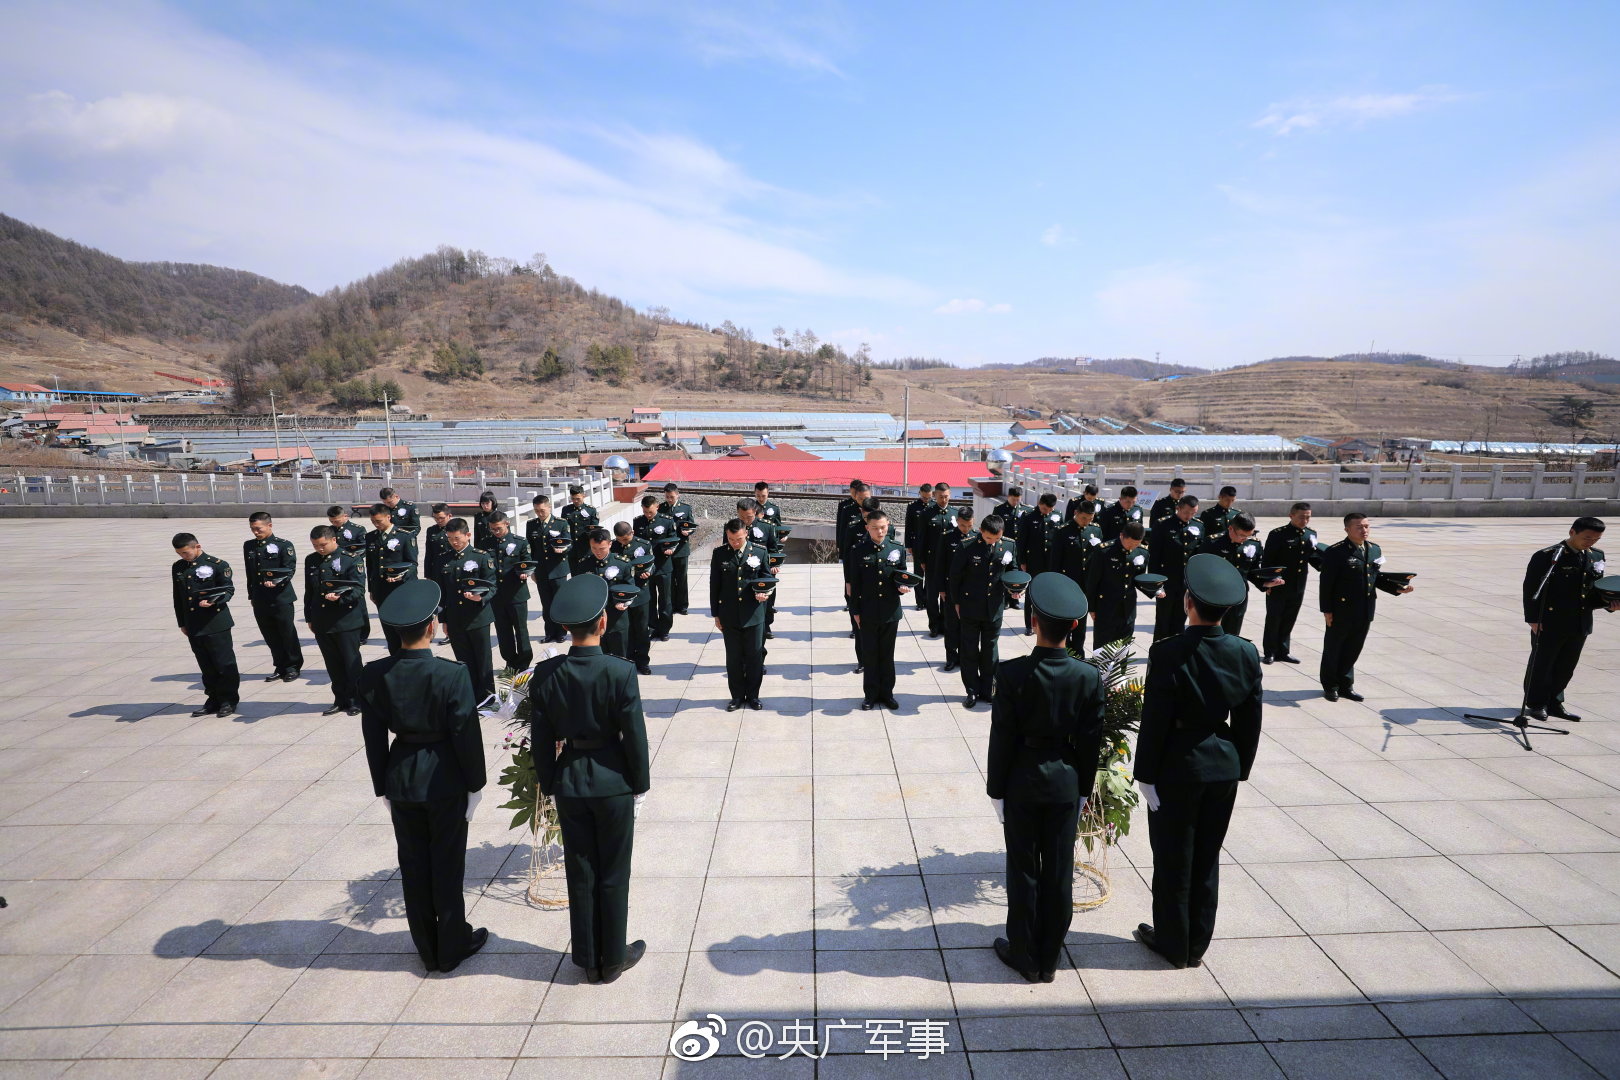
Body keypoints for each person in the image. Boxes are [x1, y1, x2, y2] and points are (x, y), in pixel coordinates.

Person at [1133, 554, 1262, 970]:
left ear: (1188, 602)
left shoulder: (1169, 651)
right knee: (1206, 857)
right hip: (1222, 763)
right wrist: (1239, 765)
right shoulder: (1244, 652)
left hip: (1177, 765)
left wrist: (1145, 775)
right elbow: (1250, 717)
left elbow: (1155, 719)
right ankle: (1196, 944)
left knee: (1173, 858)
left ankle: (1174, 942)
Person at [358, 579, 488, 974]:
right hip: (445, 778)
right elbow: (465, 732)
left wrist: (382, 784)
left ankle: (427, 947)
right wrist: (475, 784)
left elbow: (373, 734)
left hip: (402, 775)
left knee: (414, 866)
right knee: (446, 865)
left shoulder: (376, 672)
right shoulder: (452, 674)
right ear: (432, 627)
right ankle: (451, 946)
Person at [529, 574, 651, 984]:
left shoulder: (546, 674)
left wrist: (549, 783)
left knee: (579, 871)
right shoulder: (620, 672)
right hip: (613, 781)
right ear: (602, 623)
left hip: (570, 782)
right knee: (614, 872)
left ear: (566, 628)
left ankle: (586, 956)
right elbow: (634, 736)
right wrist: (640, 785)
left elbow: (541, 739)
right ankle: (612, 958)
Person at [987, 572, 1106, 982]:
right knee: (1058, 871)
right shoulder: (1088, 677)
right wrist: (1084, 790)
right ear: (1075, 626)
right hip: (1066, 783)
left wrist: (996, 790)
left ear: (1033, 620)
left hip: (1021, 781)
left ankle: (1023, 953)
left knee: (1023, 870)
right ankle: (1050, 957)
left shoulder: (1012, 673)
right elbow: (1090, 742)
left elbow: (1002, 738)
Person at [1523, 516, 1619, 721]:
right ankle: (1537, 703)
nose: (1591, 542)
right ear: (1572, 532)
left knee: (1567, 665)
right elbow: (1531, 588)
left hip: (1580, 621)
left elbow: (1593, 590)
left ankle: (1555, 702)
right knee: (1543, 664)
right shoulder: (1548, 556)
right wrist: (1532, 618)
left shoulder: (1596, 556)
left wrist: (1610, 604)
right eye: (1587, 538)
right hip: (1550, 620)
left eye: (1596, 539)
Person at [1318, 512, 1413, 702]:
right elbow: (1326, 583)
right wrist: (1327, 610)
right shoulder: (1336, 552)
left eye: (1367, 526)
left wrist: (1397, 588)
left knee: (1354, 648)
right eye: (1359, 527)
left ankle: (1346, 685)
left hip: (1365, 608)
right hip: (1341, 610)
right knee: (1334, 648)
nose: (1364, 530)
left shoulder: (1374, 550)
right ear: (1347, 529)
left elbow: (1375, 577)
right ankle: (1330, 686)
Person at [949, 514, 1018, 707]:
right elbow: (955, 576)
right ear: (981, 532)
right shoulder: (967, 545)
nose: (993, 542)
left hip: (994, 607)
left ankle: (989, 690)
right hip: (970, 606)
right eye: (989, 538)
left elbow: (1013, 570)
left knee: (990, 651)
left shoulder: (1009, 545)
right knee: (970, 650)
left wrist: (1016, 589)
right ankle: (972, 690)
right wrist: (956, 602)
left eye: (997, 539)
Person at [847, 509, 911, 710]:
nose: (880, 531)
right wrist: (855, 612)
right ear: (867, 528)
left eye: (883, 527)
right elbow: (854, 585)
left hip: (890, 611)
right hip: (867, 611)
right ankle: (871, 695)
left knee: (887, 655)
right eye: (875, 528)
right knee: (870, 655)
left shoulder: (897, 548)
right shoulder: (858, 550)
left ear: (888, 524)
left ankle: (888, 694)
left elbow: (902, 576)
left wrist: (903, 588)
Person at [172, 532, 240, 717]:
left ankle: (228, 699)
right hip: (194, 624)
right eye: (180, 553)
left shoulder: (217, 565)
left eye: (186, 552)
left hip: (215, 622)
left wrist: (214, 601)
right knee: (206, 665)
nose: (183, 557)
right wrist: (182, 622)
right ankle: (213, 698)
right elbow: (178, 598)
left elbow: (228, 590)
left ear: (197, 546)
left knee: (223, 663)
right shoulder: (178, 567)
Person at [305, 524, 367, 716]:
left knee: (351, 662)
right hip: (323, 620)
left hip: (345, 620)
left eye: (323, 545)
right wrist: (309, 617)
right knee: (332, 663)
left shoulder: (351, 560)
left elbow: (358, 589)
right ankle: (340, 699)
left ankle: (357, 699)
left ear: (334, 540)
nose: (319, 549)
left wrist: (341, 598)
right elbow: (310, 592)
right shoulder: (312, 560)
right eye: (315, 545)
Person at [711, 518, 771, 711]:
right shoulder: (719, 554)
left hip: (753, 614)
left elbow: (767, 578)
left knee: (754, 657)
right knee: (734, 658)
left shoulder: (760, 552)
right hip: (729, 614)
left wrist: (765, 593)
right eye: (730, 539)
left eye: (737, 539)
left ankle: (753, 695)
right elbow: (715, 586)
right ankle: (736, 696)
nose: (734, 543)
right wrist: (716, 614)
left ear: (746, 533)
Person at [433, 518, 496, 701]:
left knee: (483, 660)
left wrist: (481, 597)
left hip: (478, 617)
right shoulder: (443, 559)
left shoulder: (481, 556)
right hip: (455, 619)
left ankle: (488, 698)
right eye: (450, 538)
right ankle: (471, 696)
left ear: (468, 535)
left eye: (457, 538)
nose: (454, 542)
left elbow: (492, 586)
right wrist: (443, 619)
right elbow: (441, 592)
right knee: (464, 660)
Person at [1197, 512, 1284, 638]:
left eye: (1249, 536)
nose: (1245, 539)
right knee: (1209, 634)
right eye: (1242, 535)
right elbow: (1201, 569)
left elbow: (1252, 571)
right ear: (1231, 528)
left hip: (1239, 597)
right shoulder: (1213, 542)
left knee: (1232, 634)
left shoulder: (1254, 544)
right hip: (1215, 597)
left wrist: (1265, 583)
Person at [243, 512, 303, 682]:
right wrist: (252, 596)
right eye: (252, 529)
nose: (255, 532)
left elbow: (289, 569)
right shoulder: (249, 546)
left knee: (286, 632)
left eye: (258, 528)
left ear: (269, 526)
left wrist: (276, 582)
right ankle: (280, 665)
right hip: (260, 597)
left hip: (280, 597)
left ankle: (293, 665)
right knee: (269, 634)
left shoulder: (284, 545)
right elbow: (250, 573)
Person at [1261, 502, 1321, 664]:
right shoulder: (1278, 534)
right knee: (1274, 618)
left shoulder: (1311, 534)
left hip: (1298, 584)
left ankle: (1283, 650)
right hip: (1279, 584)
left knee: (1290, 618)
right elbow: (1267, 560)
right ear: (1291, 516)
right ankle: (1270, 651)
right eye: (1301, 517)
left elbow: (1313, 557)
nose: (1305, 521)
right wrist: (1267, 582)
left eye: (1308, 517)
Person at [1085, 521, 1157, 650]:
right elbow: (1093, 581)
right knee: (1102, 649)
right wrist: (1092, 607)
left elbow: (1138, 579)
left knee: (1123, 649)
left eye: (1136, 544)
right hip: (1106, 607)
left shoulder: (1142, 552)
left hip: (1127, 609)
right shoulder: (1104, 551)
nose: (1132, 548)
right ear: (1121, 536)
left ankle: (1121, 671)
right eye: (1130, 543)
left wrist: (1155, 590)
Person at [366, 502, 419, 655]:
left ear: (388, 517)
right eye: (373, 521)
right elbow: (371, 566)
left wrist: (400, 576)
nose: (376, 524)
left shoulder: (404, 536)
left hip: (401, 589)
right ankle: (394, 658)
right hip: (381, 590)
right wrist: (372, 590)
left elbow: (412, 564)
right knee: (389, 629)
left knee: (405, 629)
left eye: (379, 521)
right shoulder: (370, 537)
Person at [574, 527, 636, 659]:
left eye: (602, 549)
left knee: (620, 657)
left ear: (610, 544)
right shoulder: (584, 564)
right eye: (594, 548)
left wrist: (625, 602)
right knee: (598, 657)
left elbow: (630, 588)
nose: (598, 552)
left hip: (616, 618)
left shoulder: (622, 563)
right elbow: (580, 588)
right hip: (594, 620)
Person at [1148, 495, 1204, 641]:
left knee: (1180, 622)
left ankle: (1175, 654)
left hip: (1186, 584)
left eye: (1193, 513)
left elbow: (1199, 557)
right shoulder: (1163, 525)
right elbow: (1154, 557)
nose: (1189, 516)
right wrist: (1155, 585)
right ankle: (1158, 655)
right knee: (1163, 621)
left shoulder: (1199, 526)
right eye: (1186, 512)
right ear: (1177, 508)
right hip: (1166, 581)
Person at [486, 511, 536, 674]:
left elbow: (527, 561)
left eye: (498, 528)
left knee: (520, 629)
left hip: (516, 593)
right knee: (502, 630)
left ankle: (524, 661)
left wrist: (525, 572)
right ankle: (510, 660)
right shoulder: (485, 542)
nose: (495, 532)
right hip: (496, 595)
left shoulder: (520, 542)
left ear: (506, 524)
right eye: (492, 529)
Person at [1052, 500, 1104, 653]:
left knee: (1081, 624)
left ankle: (1079, 653)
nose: (1086, 522)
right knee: (1066, 623)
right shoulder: (1062, 531)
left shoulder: (1096, 530)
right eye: (1083, 519)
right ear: (1076, 513)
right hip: (1067, 584)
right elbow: (1055, 561)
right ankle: (1064, 652)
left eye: (1090, 519)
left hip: (1086, 584)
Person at [930, 507, 977, 672]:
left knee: (967, 625)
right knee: (951, 625)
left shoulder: (977, 536)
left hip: (970, 589)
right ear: (957, 521)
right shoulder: (947, 537)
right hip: (951, 588)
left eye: (969, 525)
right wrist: (941, 589)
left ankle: (964, 657)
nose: (966, 529)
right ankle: (951, 657)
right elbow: (940, 564)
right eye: (963, 525)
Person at [526, 493, 572, 644]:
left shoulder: (561, 523)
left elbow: (569, 544)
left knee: (559, 602)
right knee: (546, 603)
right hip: (541, 570)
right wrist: (532, 570)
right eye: (537, 511)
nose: (539, 514)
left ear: (549, 507)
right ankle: (549, 632)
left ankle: (561, 631)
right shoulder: (531, 524)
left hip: (558, 569)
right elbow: (530, 550)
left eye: (542, 510)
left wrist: (563, 550)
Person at [1017, 493, 1065, 635]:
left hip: (1051, 561)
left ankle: (1046, 623)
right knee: (1031, 594)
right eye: (1044, 509)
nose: (1047, 512)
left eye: (1050, 509)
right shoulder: (1028, 516)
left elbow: (1060, 539)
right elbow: (1021, 541)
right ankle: (1029, 625)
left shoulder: (1058, 515)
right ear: (1039, 503)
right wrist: (1022, 561)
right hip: (1034, 561)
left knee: (1049, 594)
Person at [611, 521, 654, 675]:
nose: (623, 543)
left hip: (640, 594)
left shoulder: (643, 545)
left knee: (642, 630)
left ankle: (643, 661)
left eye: (626, 539)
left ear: (632, 533)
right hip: (621, 596)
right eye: (620, 540)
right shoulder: (612, 547)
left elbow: (651, 564)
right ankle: (629, 660)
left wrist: (648, 572)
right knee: (626, 630)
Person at [633, 495, 676, 642]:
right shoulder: (638, 521)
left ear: (657, 506)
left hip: (663, 566)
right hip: (645, 568)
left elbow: (673, 539)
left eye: (650, 512)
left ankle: (664, 629)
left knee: (665, 600)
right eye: (645, 512)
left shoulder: (667, 521)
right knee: (649, 599)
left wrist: (670, 549)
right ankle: (652, 627)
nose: (647, 515)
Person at [737, 500, 780, 638]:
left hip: (762, 572)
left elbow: (773, 549)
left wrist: (774, 565)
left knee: (765, 602)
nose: (745, 520)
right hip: (742, 572)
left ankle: (766, 626)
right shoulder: (733, 526)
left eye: (749, 517)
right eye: (742, 517)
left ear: (755, 513)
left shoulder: (767, 527)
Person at [919, 483, 955, 635]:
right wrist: (921, 560)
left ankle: (946, 624)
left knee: (947, 595)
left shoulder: (954, 513)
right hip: (932, 560)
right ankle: (934, 625)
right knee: (932, 595)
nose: (944, 499)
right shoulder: (927, 513)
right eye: (941, 497)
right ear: (934, 495)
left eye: (946, 496)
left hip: (950, 562)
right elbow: (921, 539)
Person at [656, 483, 696, 615]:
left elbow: (692, 525)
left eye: (672, 497)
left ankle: (683, 605)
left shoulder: (685, 508)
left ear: (677, 495)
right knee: (670, 578)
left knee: (682, 578)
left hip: (681, 549)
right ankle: (672, 604)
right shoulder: (661, 508)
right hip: (667, 550)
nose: (669, 499)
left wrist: (688, 531)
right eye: (667, 497)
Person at [905, 483, 934, 608]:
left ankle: (928, 599)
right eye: (923, 497)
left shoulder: (934, 505)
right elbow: (908, 527)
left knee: (930, 573)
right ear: (920, 494)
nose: (926, 500)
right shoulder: (913, 507)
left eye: (928, 498)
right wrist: (909, 545)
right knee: (918, 574)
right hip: (918, 544)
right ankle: (920, 601)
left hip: (932, 545)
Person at [561, 485, 600, 566]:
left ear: (583, 496)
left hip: (586, 548)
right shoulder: (566, 510)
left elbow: (595, 530)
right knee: (574, 575)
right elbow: (563, 528)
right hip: (571, 549)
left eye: (578, 498)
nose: (575, 501)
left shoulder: (591, 510)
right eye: (573, 499)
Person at [424, 503, 455, 583]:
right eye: (436, 518)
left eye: (442, 518)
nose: (439, 521)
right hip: (437, 569)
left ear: (449, 516)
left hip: (453, 568)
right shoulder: (431, 530)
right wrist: (428, 574)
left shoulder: (458, 529)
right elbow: (429, 553)